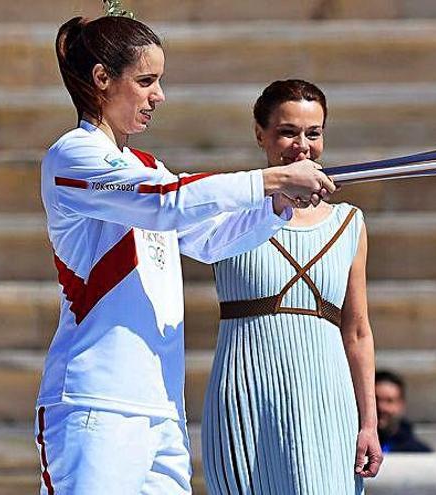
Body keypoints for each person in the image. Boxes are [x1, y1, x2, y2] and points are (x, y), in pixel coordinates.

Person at [35, 14, 335, 495]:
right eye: (147, 81)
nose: (159, 96)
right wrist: (273, 179)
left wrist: (274, 207)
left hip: (161, 403)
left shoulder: (148, 167)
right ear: (101, 80)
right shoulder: (73, 157)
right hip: (95, 401)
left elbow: (211, 238)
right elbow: (167, 201)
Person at [201, 79, 382, 494]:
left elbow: (356, 331)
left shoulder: (349, 223)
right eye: (287, 131)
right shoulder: (231, 209)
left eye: (313, 133)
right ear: (260, 133)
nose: (302, 145)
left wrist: (368, 423)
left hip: (326, 397)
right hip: (246, 392)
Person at [375, 370, 433, 453]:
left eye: (389, 401)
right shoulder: (354, 447)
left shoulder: (418, 452)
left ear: (401, 405)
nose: (381, 407)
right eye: (376, 399)